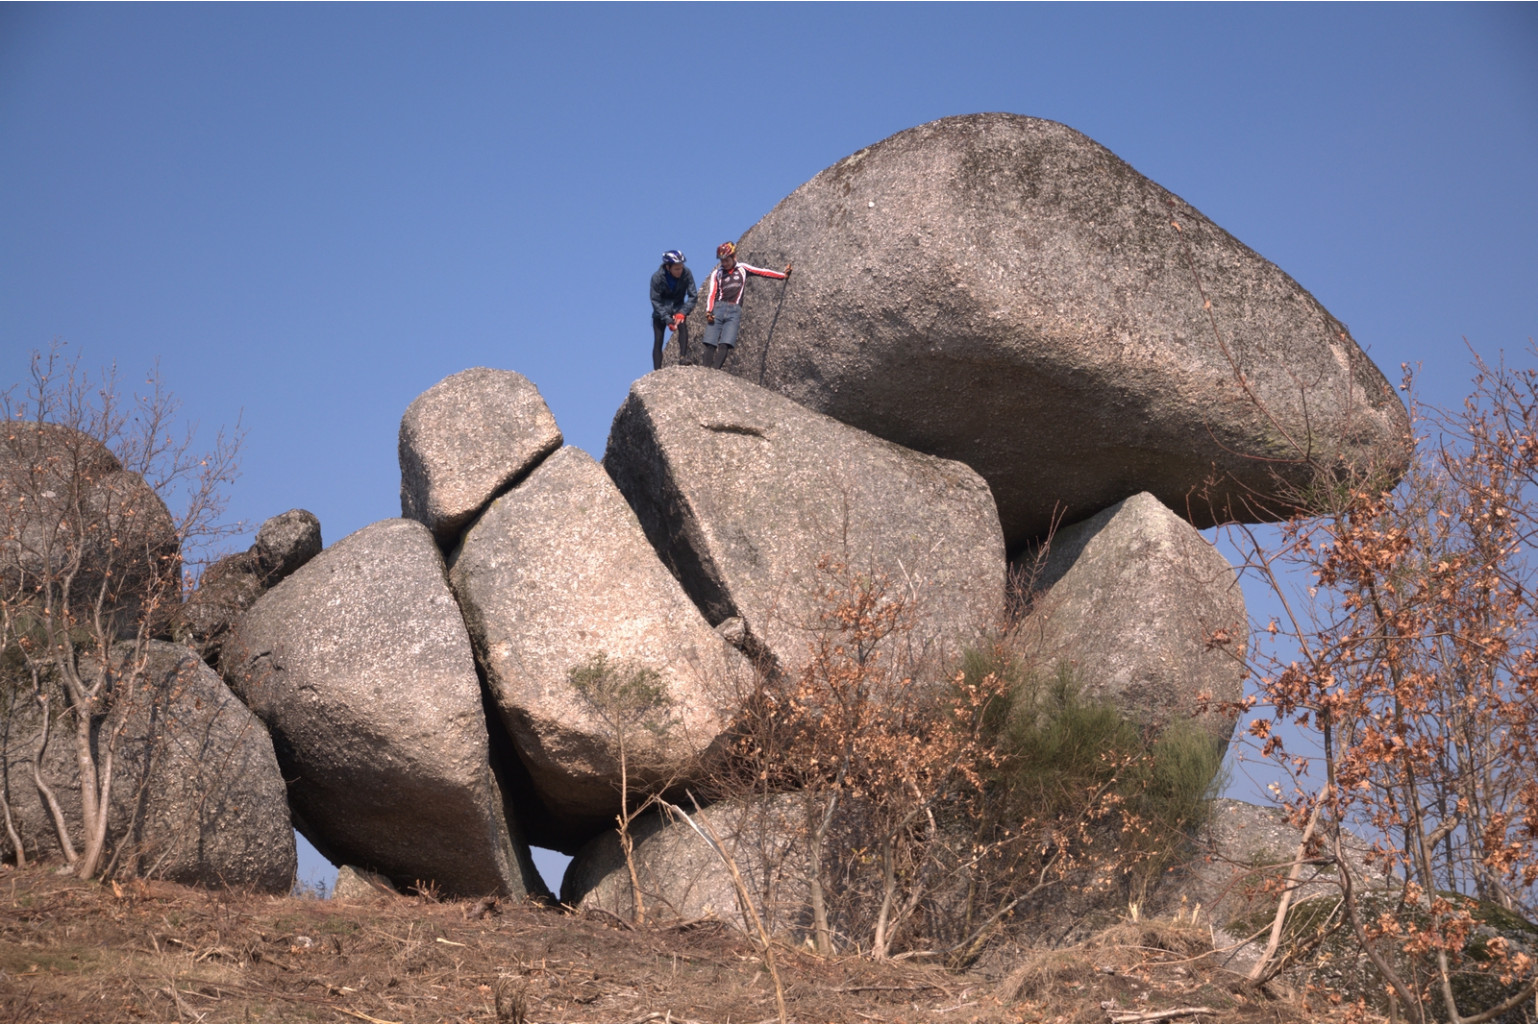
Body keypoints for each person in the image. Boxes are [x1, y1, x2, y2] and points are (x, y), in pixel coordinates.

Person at [701, 241, 792, 370]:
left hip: (734, 310)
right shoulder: (717, 273)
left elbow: (763, 272)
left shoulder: (743, 268)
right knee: (710, 342)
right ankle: (704, 369)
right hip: (718, 308)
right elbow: (712, 293)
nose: (725, 263)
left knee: (725, 342)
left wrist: (783, 275)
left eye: (727, 260)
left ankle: (715, 370)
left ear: (734, 257)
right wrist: (709, 311)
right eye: (722, 261)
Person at [650, 250, 697, 370]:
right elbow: (655, 300)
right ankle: (657, 370)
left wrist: (682, 312)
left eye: (681, 267)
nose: (680, 271)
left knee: (683, 327)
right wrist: (667, 319)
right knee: (658, 340)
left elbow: (693, 296)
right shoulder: (657, 277)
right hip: (660, 312)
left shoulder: (686, 273)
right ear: (668, 267)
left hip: (678, 307)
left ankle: (683, 357)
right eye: (676, 269)